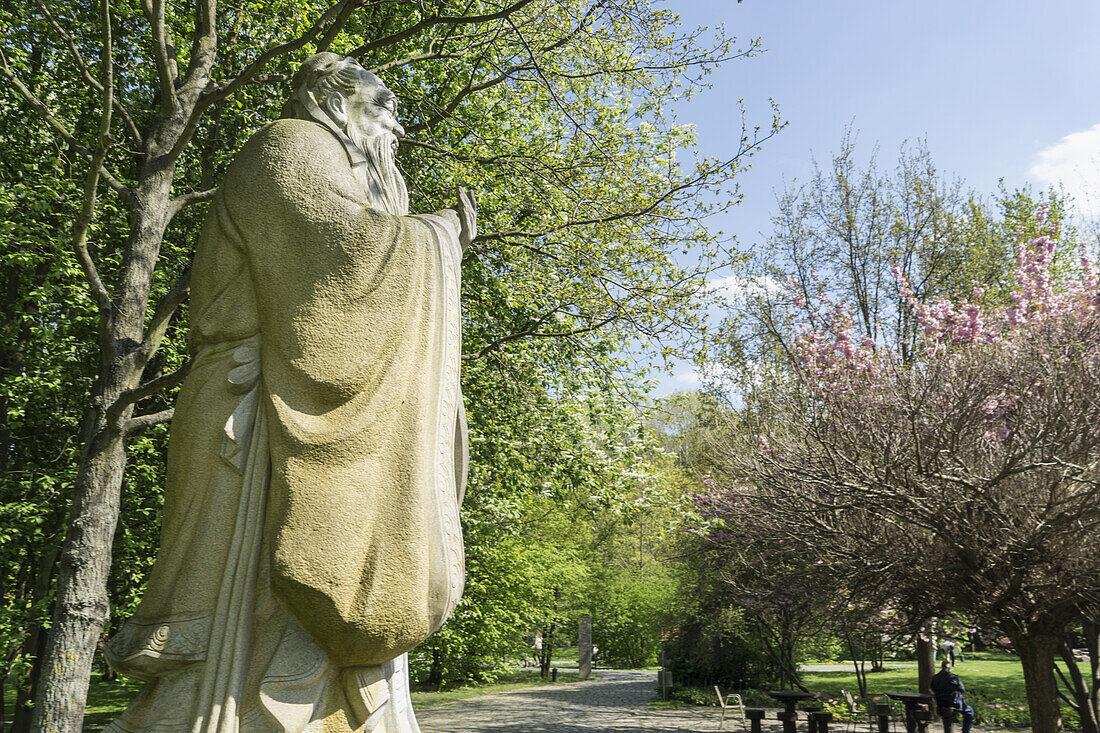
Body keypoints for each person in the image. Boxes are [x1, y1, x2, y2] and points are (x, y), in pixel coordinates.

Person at [103, 53, 476, 733]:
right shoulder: (291, 147)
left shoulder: (343, 168)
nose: (397, 121)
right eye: (383, 103)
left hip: (273, 408)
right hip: (255, 425)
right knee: (258, 604)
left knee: (288, 604)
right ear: (335, 100)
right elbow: (346, 258)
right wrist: (441, 236)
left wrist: (426, 235)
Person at [930, 661, 975, 733]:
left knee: (947, 717)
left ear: (942, 667)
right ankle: (966, 731)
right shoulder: (953, 677)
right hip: (954, 703)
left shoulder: (935, 678)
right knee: (970, 712)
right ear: (949, 667)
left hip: (941, 703)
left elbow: (933, 689)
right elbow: (962, 689)